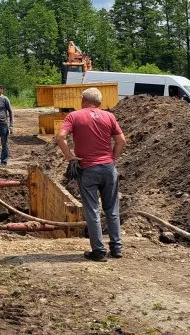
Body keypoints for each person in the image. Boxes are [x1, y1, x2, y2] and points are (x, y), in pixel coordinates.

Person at [55, 87, 127, 261]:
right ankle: (116, 248)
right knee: (112, 209)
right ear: (100, 103)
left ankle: (99, 251)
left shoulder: (74, 116)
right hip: (108, 168)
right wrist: (113, 158)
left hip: (87, 169)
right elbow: (121, 140)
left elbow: (60, 137)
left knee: (92, 210)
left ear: (82, 100)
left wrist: (70, 157)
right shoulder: (109, 116)